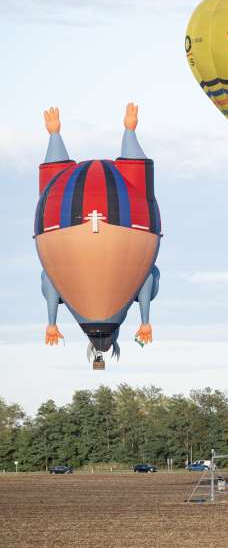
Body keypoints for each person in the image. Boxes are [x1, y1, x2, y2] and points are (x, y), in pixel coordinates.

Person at [37, 104, 161, 368]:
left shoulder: (55, 188)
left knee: (59, 178)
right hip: (130, 220)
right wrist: (145, 322)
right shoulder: (134, 186)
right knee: (134, 173)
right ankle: (127, 133)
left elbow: (50, 279)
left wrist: (51, 323)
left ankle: (60, 136)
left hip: (60, 218)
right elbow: (148, 278)